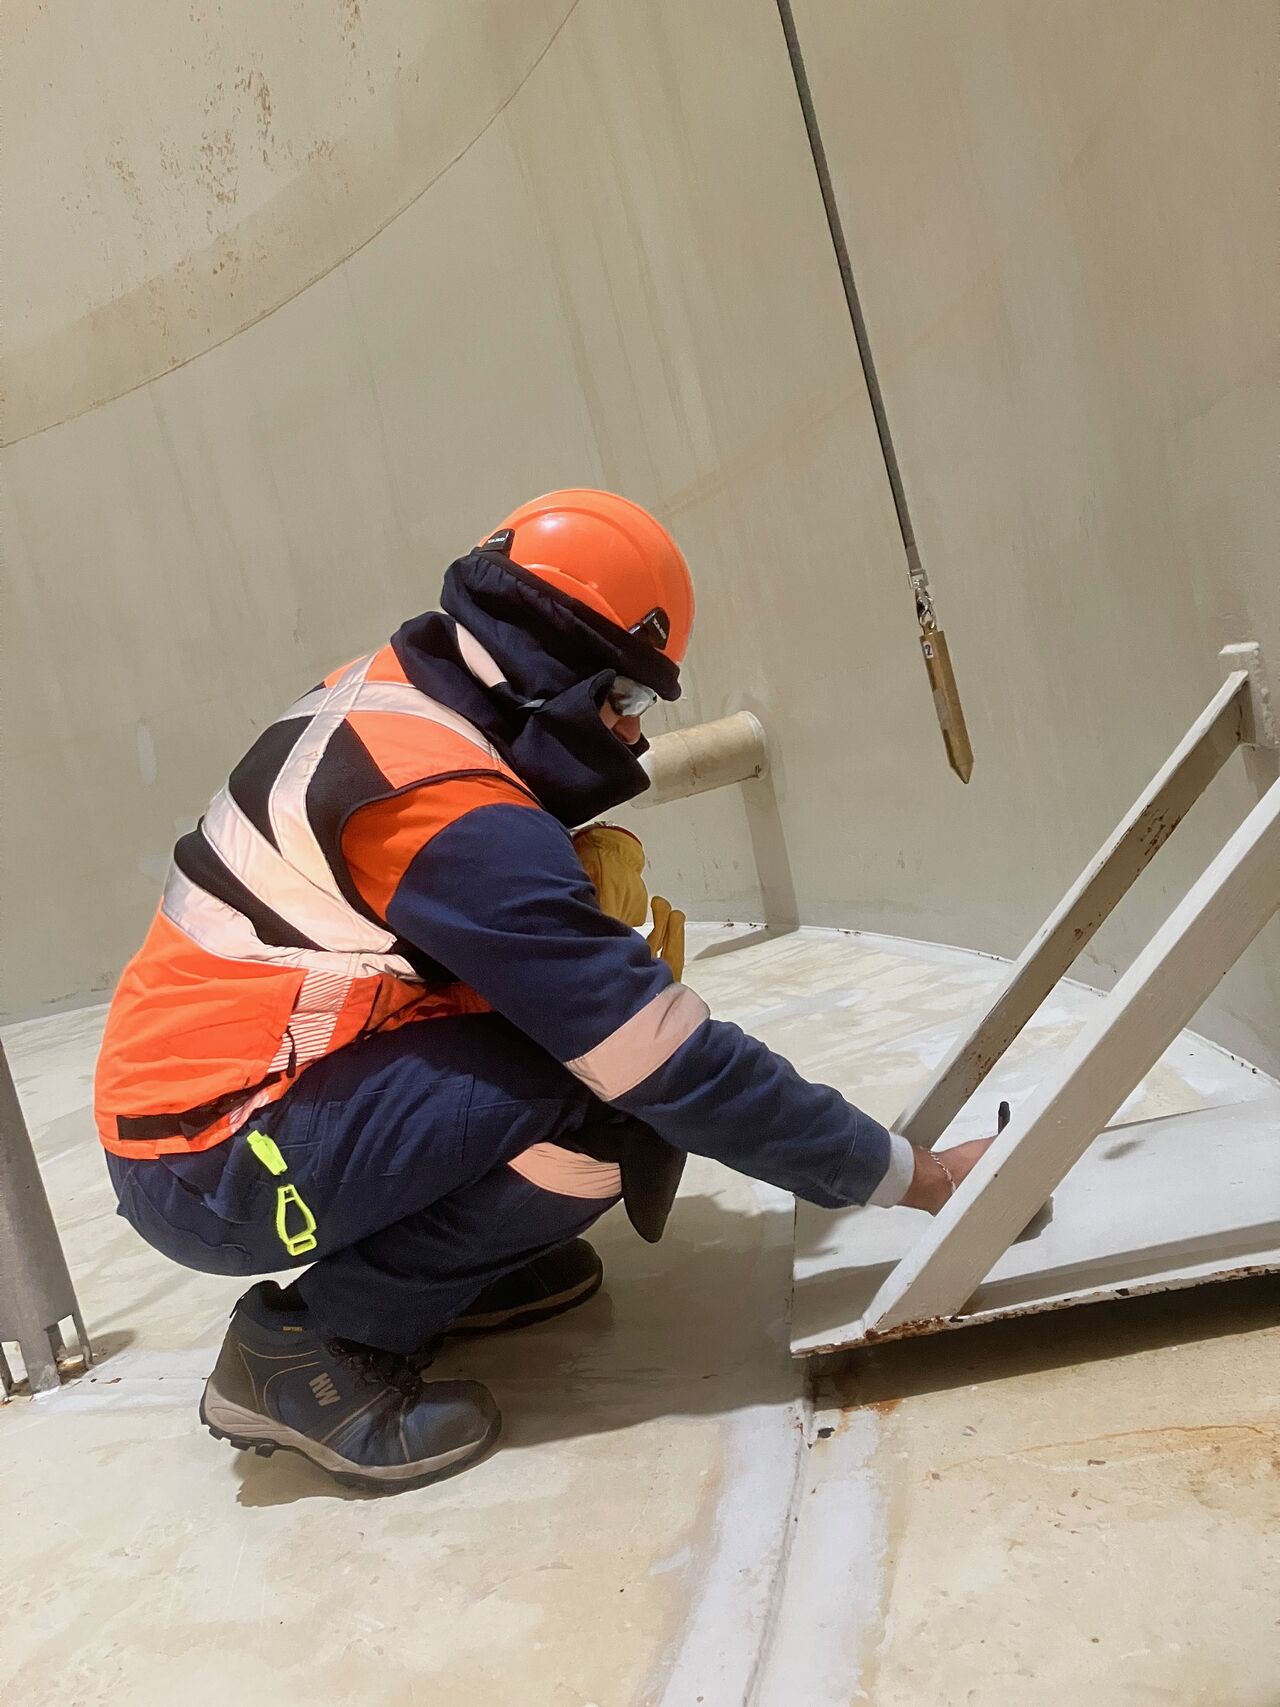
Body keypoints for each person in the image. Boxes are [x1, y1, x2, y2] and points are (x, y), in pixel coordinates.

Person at [94, 489, 993, 1494]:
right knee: (612, 1097)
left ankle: (454, 1263)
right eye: (629, 699)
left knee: (577, 1058)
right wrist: (914, 1177)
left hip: (216, 1115)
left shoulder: (399, 700)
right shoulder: (441, 807)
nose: (632, 737)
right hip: (216, 1164)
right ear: (551, 665)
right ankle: (313, 1351)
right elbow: (669, 1062)